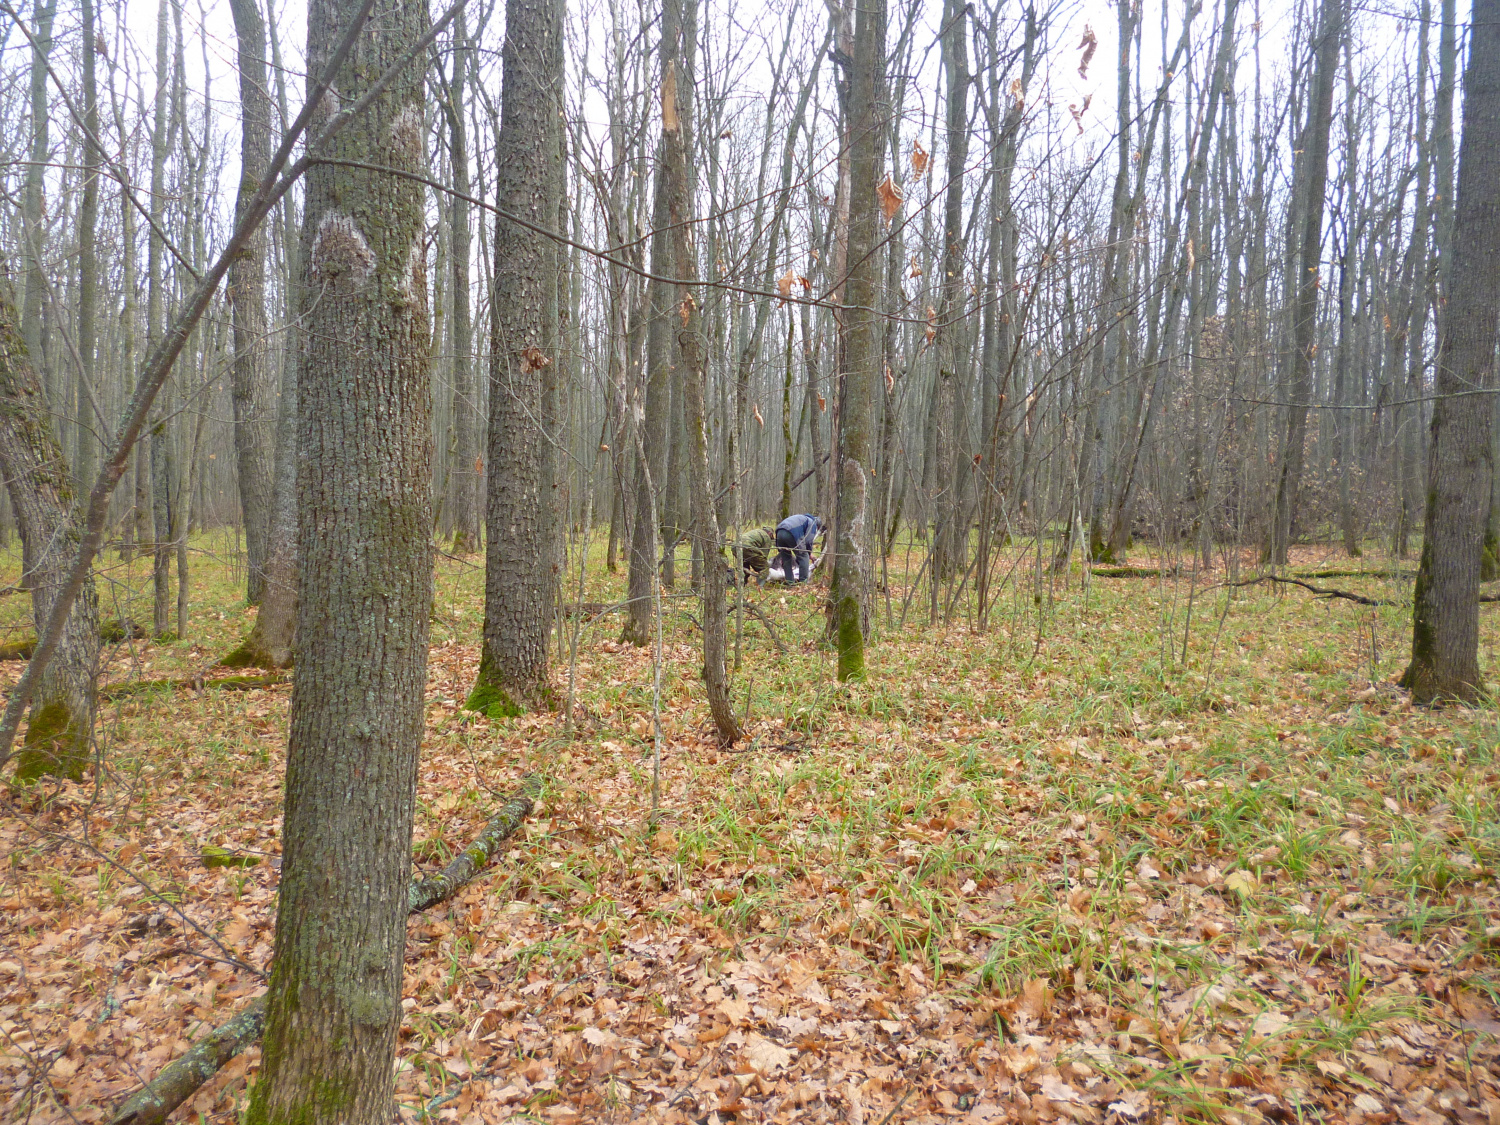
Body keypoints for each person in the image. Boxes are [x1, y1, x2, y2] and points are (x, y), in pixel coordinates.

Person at [774, 513, 821, 584]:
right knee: (804, 556)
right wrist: (809, 553)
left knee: (786, 558)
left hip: (779, 532)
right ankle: (803, 582)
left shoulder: (802, 518)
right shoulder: (812, 523)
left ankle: (790, 582)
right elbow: (808, 541)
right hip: (791, 532)